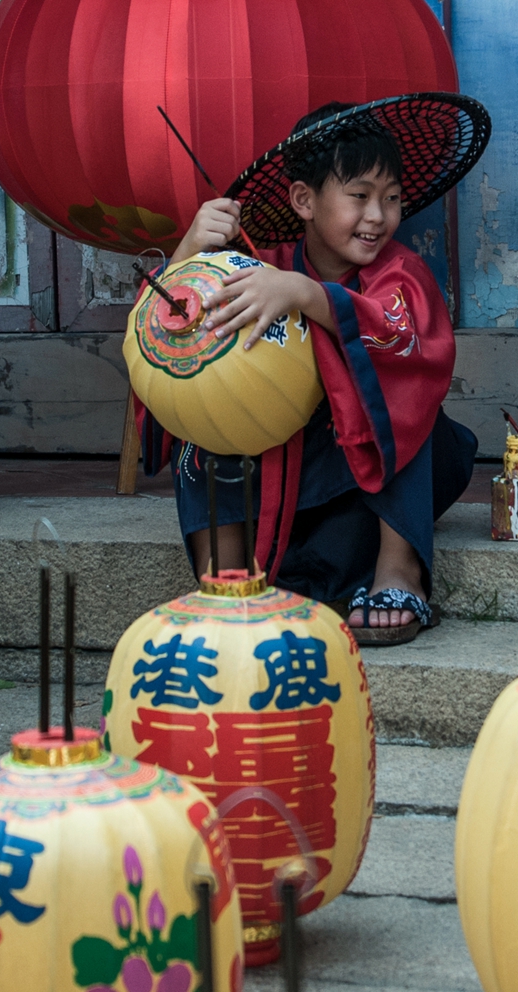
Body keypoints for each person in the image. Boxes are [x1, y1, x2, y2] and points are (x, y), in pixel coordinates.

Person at [146, 96, 487, 645]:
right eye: (359, 197)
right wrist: (189, 251)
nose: (378, 216)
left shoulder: (400, 270)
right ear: (304, 200)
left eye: (392, 199)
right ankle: (224, 584)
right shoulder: (261, 267)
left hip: (363, 490)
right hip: (276, 486)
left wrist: (306, 294)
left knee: (400, 398)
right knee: (203, 403)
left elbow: (405, 341)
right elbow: (172, 331)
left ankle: (399, 570)